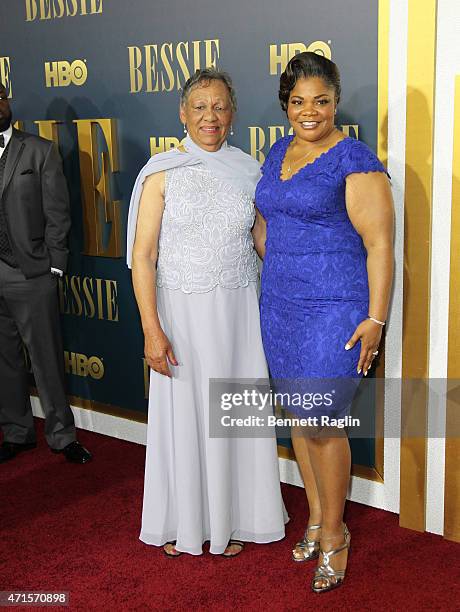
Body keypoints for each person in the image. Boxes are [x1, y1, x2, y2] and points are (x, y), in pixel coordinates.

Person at [127, 68, 287, 557]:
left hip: (238, 313)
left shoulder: (249, 170)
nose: (209, 117)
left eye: (219, 106)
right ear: (182, 113)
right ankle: (185, 521)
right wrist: (152, 330)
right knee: (185, 416)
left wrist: (312, 271)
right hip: (181, 315)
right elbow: (144, 256)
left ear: (232, 113)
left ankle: (235, 518)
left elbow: (262, 241)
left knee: (236, 415)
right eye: (199, 107)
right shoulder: (160, 172)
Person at [253, 53, 394, 592]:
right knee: (299, 414)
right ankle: (315, 516)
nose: (309, 112)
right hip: (282, 303)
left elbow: (380, 244)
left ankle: (336, 535)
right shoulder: (277, 151)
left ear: (336, 102)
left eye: (321, 101)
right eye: (298, 102)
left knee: (321, 420)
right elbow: (267, 219)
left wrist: (375, 318)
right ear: (285, 105)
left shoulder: (354, 159)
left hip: (335, 305)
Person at [0, 83, 91, 464]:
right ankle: (17, 432)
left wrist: (54, 265)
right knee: (4, 359)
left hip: (31, 272)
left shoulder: (38, 150)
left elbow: (58, 213)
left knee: (46, 358)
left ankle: (60, 434)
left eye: (0, 97)